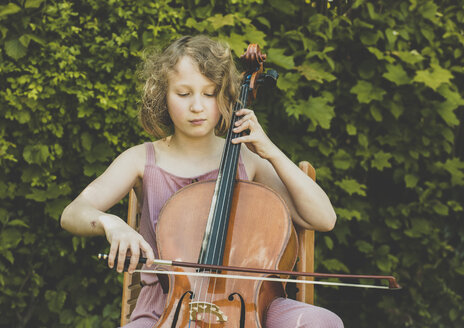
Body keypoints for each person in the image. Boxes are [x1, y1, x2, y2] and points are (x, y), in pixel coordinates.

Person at [60, 35, 343, 328]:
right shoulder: (141, 160)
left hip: (251, 305)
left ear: (225, 96)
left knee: (322, 322)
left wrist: (270, 151)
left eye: (209, 94)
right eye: (184, 94)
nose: (197, 106)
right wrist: (111, 224)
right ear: (163, 95)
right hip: (165, 310)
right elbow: (73, 213)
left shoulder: (248, 160)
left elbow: (324, 218)